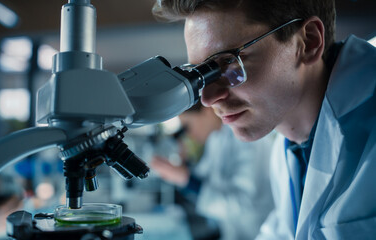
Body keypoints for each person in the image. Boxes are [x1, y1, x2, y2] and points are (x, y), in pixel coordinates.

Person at [152, 0, 376, 239]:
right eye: (201, 73)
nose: (207, 99)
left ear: (308, 42)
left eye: (227, 62)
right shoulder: (287, 146)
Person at [152, 102, 274, 240]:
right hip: (231, 232)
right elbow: (205, 177)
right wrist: (182, 167)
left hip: (257, 232)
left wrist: (186, 180)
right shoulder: (217, 137)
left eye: (188, 126)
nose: (189, 134)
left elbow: (242, 204)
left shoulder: (247, 137)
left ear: (207, 110)